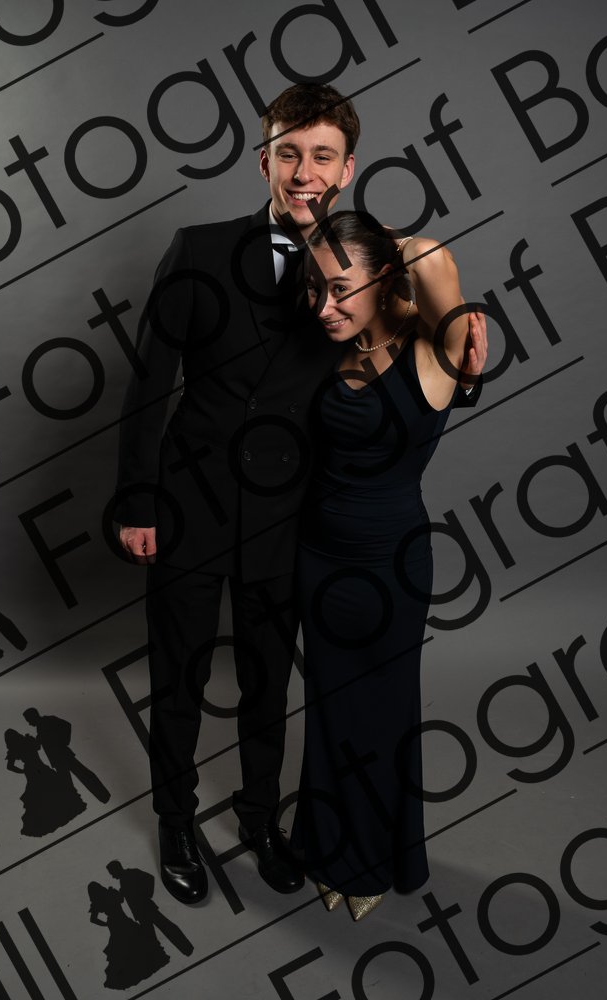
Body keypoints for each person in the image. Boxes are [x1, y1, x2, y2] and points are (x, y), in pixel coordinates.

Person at [115, 82, 487, 905]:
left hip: (288, 518)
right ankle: (176, 824)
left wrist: (466, 358)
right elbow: (148, 383)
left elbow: (424, 356)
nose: (303, 171)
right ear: (264, 162)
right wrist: (137, 502)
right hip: (186, 507)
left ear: (348, 169)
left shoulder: (357, 273)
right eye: (288, 153)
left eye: (323, 156)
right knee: (178, 679)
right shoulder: (198, 248)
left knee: (266, 684)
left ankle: (259, 822)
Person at [290, 210, 478, 920]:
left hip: (387, 567)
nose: (324, 306)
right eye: (315, 290)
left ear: (385, 278)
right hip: (316, 559)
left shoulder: (438, 348)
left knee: (381, 711)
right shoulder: (330, 346)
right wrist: (340, 265)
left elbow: (434, 259)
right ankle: (323, 845)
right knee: (328, 706)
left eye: (340, 289)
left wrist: (380, 247)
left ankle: (370, 860)